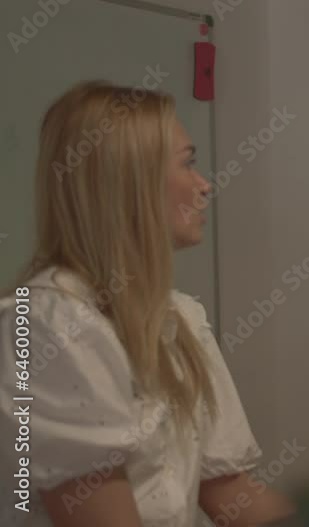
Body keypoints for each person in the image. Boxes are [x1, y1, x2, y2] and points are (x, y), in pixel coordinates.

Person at [0, 81, 294, 526]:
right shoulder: (48, 322)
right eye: (187, 164)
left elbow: (231, 493)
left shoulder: (181, 320)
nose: (204, 186)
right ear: (128, 182)